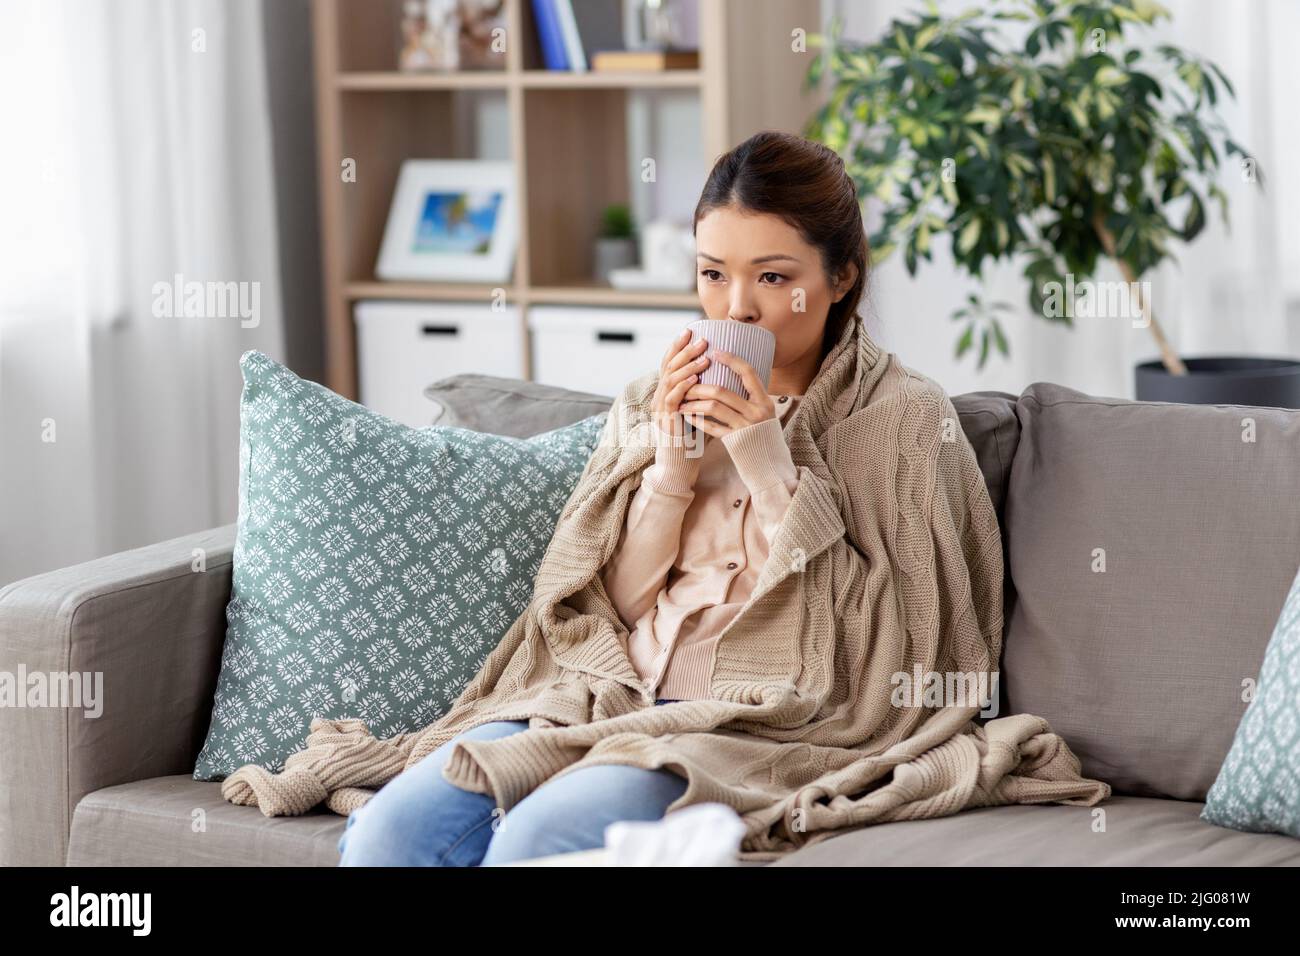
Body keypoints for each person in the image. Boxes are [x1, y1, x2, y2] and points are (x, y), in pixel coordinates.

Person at [339, 129, 870, 866]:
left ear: (839, 278)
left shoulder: (895, 421)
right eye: (713, 274)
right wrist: (672, 470)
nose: (737, 307)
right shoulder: (650, 404)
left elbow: (871, 640)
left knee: (537, 839)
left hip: (745, 723)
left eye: (773, 277)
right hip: (599, 692)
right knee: (390, 832)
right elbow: (600, 608)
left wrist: (763, 458)